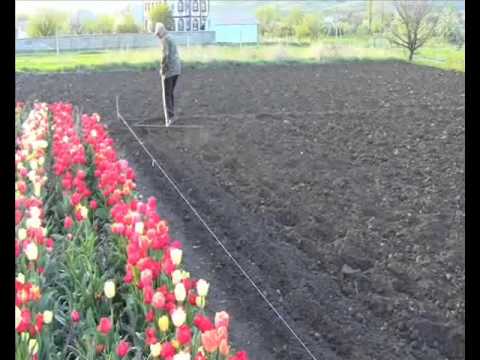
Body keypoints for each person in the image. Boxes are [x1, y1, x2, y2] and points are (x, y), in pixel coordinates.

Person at [154, 22, 181, 123]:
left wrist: (162, 68)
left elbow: (165, 55)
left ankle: (168, 119)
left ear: (161, 31)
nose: (157, 36)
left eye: (158, 34)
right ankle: (172, 115)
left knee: (166, 95)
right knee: (170, 93)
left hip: (169, 70)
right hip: (177, 69)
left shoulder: (164, 39)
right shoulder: (171, 37)